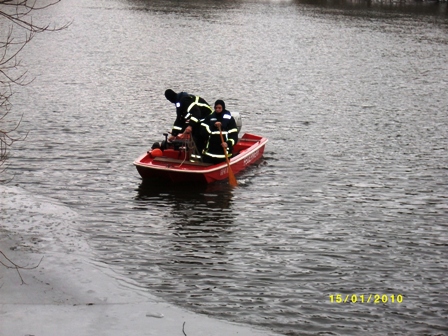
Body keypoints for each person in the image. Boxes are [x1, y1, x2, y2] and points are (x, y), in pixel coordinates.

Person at [200, 100, 238, 164]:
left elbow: (234, 135)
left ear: (223, 108)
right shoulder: (210, 117)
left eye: (219, 108)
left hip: (224, 154)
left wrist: (227, 143)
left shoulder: (230, 120)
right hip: (209, 153)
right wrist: (213, 126)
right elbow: (203, 130)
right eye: (216, 108)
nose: (217, 109)